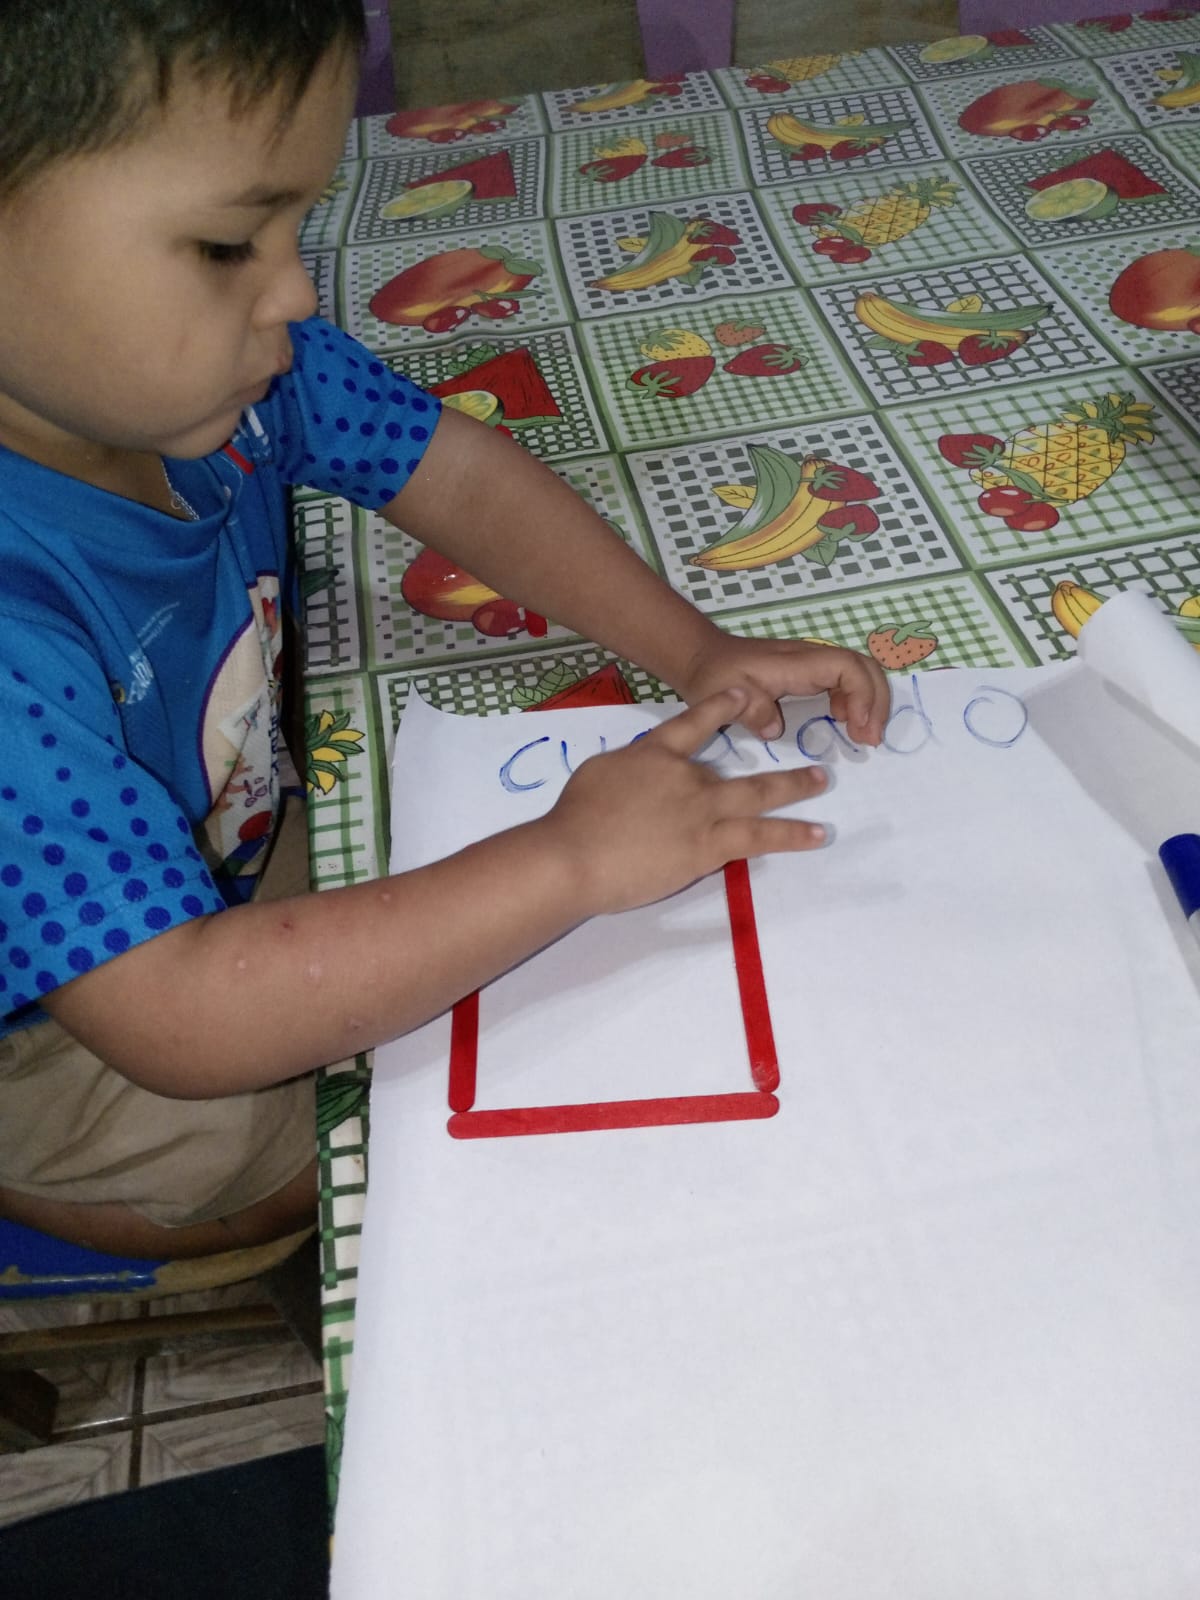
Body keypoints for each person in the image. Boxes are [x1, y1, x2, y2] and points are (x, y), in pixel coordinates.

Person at [0, 0, 889, 1260]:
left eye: (298, 225)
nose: (297, 289)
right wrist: (568, 861)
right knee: (295, 1138)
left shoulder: (232, 375)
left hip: (212, 842)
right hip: (59, 1029)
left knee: (441, 944)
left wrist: (697, 650)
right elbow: (180, 1015)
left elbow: (451, 474)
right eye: (228, 243)